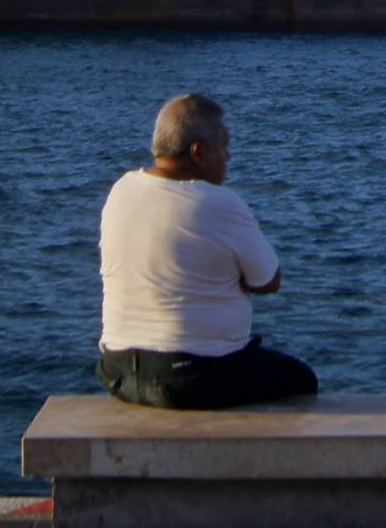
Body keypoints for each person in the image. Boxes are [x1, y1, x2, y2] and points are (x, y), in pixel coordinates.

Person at [96, 93, 317, 409]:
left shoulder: (122, 190)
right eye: (224, 146)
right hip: (190, 375)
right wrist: (232, 279)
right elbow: (268, 281)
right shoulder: (218, 202)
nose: (228, 156)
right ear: (198, 152)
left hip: (117, 372)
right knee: (300, 379)